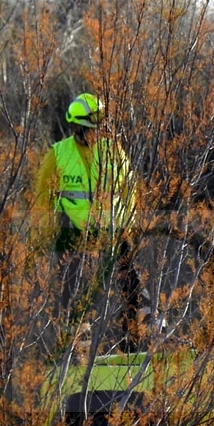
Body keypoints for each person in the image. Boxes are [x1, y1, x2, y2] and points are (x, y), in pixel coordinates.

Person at [34, 92, 143, 350]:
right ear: (78, 128)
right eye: (92, 128)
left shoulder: (113, 151)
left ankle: (131, 343)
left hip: (113, 231)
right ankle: (74, 347)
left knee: (131, 284)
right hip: (74, 229)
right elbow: (42, 195)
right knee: (69, 290)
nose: (98, 133)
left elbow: (130, 188)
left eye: (101, 127)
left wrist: (128, 221)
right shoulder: (58, 154)